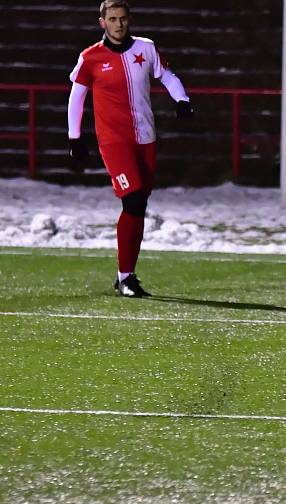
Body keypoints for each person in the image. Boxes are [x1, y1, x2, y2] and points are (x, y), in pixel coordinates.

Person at [67, 0, 193, 298]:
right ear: (102, 22)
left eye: (123, 18)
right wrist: (75, 138)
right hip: (114, 142)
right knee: (133, 198)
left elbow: (167, 76)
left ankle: (127, 275)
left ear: (129, 20)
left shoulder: (146, 49)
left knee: (139, 206)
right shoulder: (90, 58)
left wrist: (182, 100)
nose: (118, 24)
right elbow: (76, 97)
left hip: (146, 138)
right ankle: (125, 277)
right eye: (112, 19)